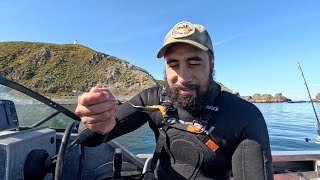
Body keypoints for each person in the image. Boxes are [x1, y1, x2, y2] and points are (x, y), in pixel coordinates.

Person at [75, 21, 274, 180]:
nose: (183, 77)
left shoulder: (243, 116)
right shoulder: (152, 99)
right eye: (174, 64)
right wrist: (96, 123)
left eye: (194, 62)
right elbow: (86, 139)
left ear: (212, 63)